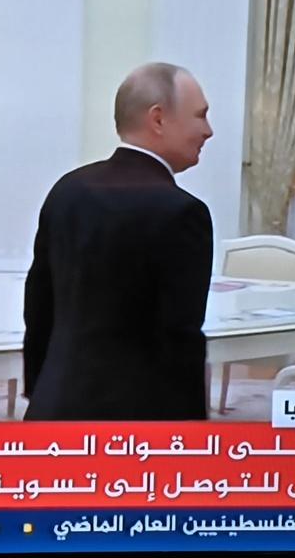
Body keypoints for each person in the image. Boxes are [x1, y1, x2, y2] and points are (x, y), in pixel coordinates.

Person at [23, 62, 214, 420]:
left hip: (54, 408)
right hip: (138, 426)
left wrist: (39, 389)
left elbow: (38, 305)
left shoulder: (67, 190)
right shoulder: (183, 212)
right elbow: (180, 338)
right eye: (200, 116)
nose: (209, 131)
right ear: (158, 119)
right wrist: (190, 432)